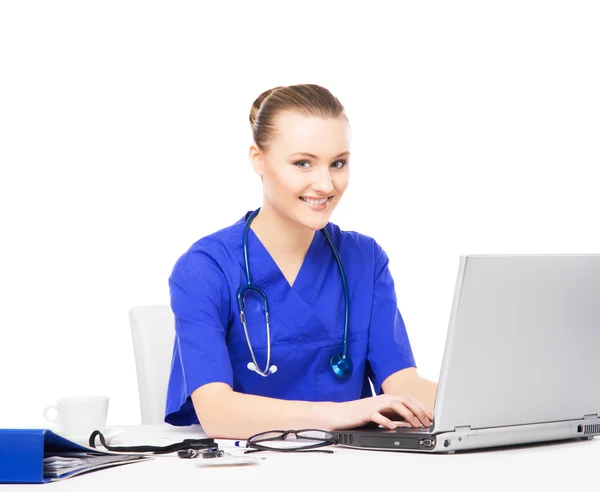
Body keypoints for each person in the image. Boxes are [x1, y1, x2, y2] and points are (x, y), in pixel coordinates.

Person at [165, 84, 437, 439]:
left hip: (351, 466)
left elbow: (403, 382)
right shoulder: (204, 268)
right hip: (247, 470)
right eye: (303, 163)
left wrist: (496, 405)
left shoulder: (365, 259)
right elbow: (217, 412)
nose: (325, 184)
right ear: (257, 158)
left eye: (338, 163)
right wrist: (346, 412)